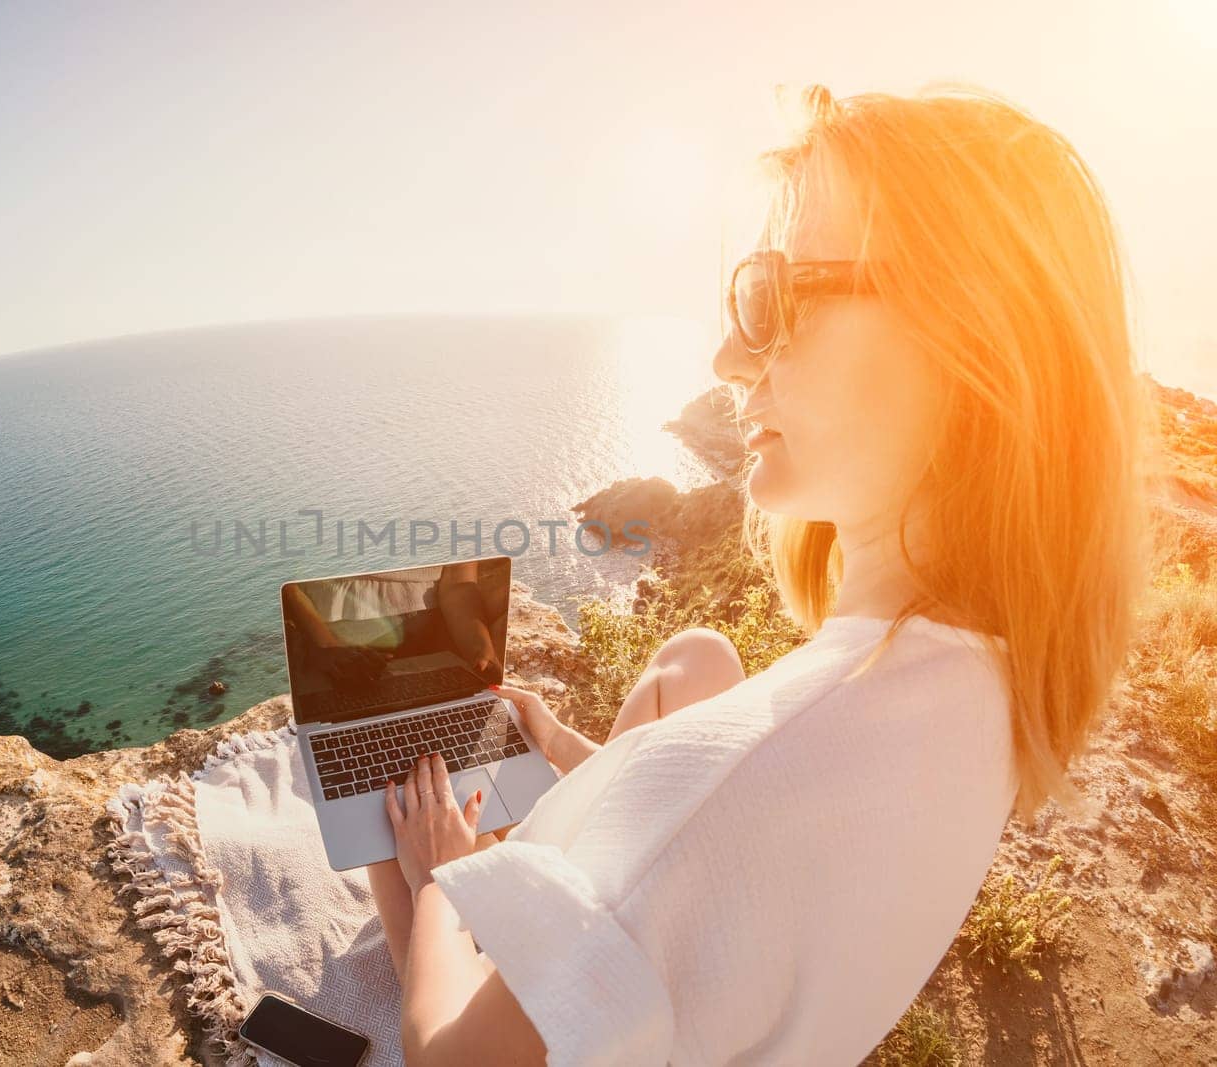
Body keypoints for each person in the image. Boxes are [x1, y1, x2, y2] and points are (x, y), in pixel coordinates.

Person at [366, 83, 1153, 1066]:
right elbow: (702, 844)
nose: (728, 355)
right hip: (714, 960)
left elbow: (452, 1056)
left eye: (775, 297)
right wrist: (578, 750)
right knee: (696, 655)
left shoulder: (723, 797)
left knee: (378, 835)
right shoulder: (985, 680)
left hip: (521, 1012)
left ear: (972, 343)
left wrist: (439, 880)